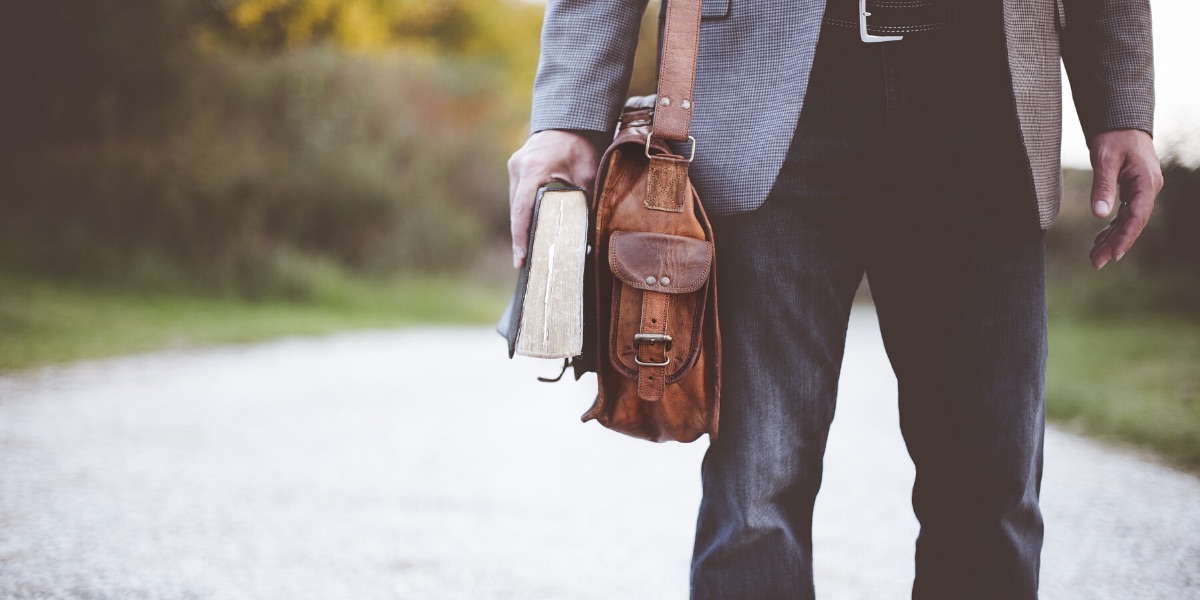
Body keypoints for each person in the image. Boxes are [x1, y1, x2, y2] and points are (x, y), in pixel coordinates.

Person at [507, 0, 1162, 598]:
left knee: (991, 488)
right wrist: (569, 114)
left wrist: (1121, 104)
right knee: (757, 494)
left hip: (986, 97)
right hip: (772, 97)